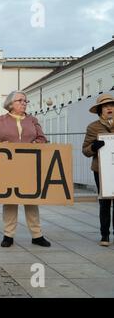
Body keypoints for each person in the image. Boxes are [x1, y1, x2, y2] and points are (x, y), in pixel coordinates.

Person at [0, 90, 51, 248]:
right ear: (10, 104)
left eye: (25, 101)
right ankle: (8, 235)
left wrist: (36, 144)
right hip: (9, 166)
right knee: (10, 201)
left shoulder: (32, 120)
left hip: (29, 166)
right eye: (20, 100)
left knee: (31, 200)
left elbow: (42, 138)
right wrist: (2, 145)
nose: (24, 103)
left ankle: (37, 235)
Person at [82, 93, 114, 246]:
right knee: (105, 202)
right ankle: (105, 236)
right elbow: (85, 150)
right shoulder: (93, 127)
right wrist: (94, 147)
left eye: (112, 106)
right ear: (100, 109)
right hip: (101, 170)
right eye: (106, 106)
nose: (110, 108)